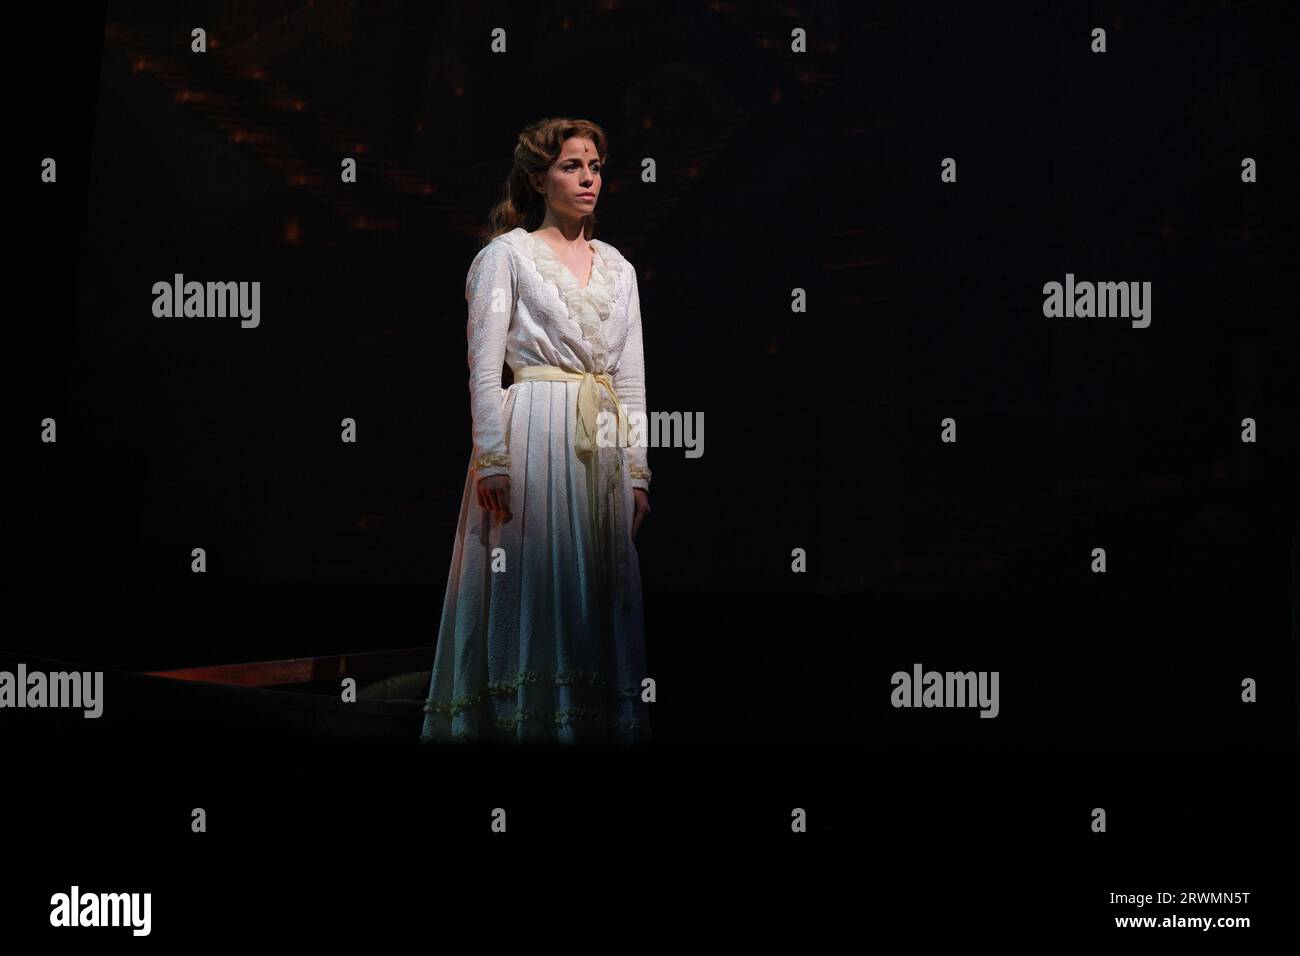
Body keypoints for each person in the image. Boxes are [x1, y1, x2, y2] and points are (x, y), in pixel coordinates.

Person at [421, 118, 654, 745]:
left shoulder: (619, 269)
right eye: (572, 166)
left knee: (599, 590)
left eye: (596, 167)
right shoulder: (508, 257)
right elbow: (483, 364)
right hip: (536, 432)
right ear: (538, 177)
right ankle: (525, 728)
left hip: (598, 437)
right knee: (533, 576)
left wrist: (636, 470)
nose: (587, 179)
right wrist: (490, 457)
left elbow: (629, 379)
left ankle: (593, 724)